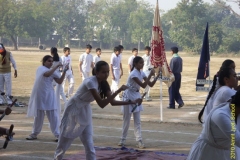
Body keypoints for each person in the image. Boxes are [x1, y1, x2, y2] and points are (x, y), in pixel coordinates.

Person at [54, 61, 141, 160]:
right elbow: (102, 104)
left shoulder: (104, 84)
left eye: (108, 72)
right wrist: (118, 90)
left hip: (85, 110)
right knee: (64, 141)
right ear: (96, 72)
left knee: (89, 144)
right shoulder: (90, 82)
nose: (106, 74)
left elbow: (112, 102)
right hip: (73, 109)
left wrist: (131, 102)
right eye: (104, 72)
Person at [118, 56, 161, 149]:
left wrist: (157, 75)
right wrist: (150, 74)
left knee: (137, 121)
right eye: (140, 63)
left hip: (136, 96)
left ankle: (139, 140)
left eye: (143, 63)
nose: (142, 64)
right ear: (135, 64)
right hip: (128, 96)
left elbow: (151, 85)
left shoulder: (141, 72)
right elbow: (143, 85)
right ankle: (122, 139)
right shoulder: (133, 74)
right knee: (127, 119)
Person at [187, 90, 240, 160]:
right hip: (208, 152)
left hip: (227, 152)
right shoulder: (221, 115)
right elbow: (237, 139)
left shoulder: (235, 111)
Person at [26, 55, 68, 141]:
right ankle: (34, 133)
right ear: (44, 62)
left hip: (49, 95)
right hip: (40, 95)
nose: (51, 63)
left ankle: (57, 134)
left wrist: (64, 72)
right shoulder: (41, 69)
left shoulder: (52, 71)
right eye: (49, 61)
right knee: (38, 116)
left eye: (52, 61)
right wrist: (56, 66)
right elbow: (47, 74)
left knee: (53, 116)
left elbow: (59, 81)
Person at [198, 60, 237, 124]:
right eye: (232, 68)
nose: (233, 70)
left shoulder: (220, 81)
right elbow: (236, 97)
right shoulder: (225, 90)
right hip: (212, 116)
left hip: (211, 115)